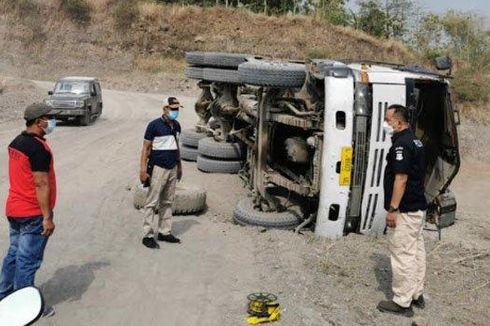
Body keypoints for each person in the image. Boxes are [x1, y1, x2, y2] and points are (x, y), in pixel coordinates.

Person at [0, 103, 57, 317]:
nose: (52, 122)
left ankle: (4, 295)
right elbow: (41, 184)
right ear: (38, 121)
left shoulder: (17, 141)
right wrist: (47, 217)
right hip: (32, 212)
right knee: (27, 261)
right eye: (48, 118)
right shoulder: (37, 148)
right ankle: (24, 306)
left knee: (13, 255)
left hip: (14, 209)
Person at [377, 104, 428, 317]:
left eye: (388, 120)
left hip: (405, 210)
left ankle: (402, 301)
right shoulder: (415, 140)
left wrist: (393, 209)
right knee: (416, 251)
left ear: (398, 122)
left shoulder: (402, 145)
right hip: (417, 207)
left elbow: (401, 178)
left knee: (402, 253)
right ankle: (416, 293)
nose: (386, 124)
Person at [139, 97, 183, 249]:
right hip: (158, 168)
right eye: (173, 109)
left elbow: (177, 146)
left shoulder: (176, 126)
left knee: (167, 201)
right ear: (164, 109)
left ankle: (164, 232)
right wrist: (143, 170)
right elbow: (146, 148)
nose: (175, 112)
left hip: (172, 168)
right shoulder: (154, 126)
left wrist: (179, 166)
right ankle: (148, 235)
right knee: (151, 202)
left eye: (177, 109)